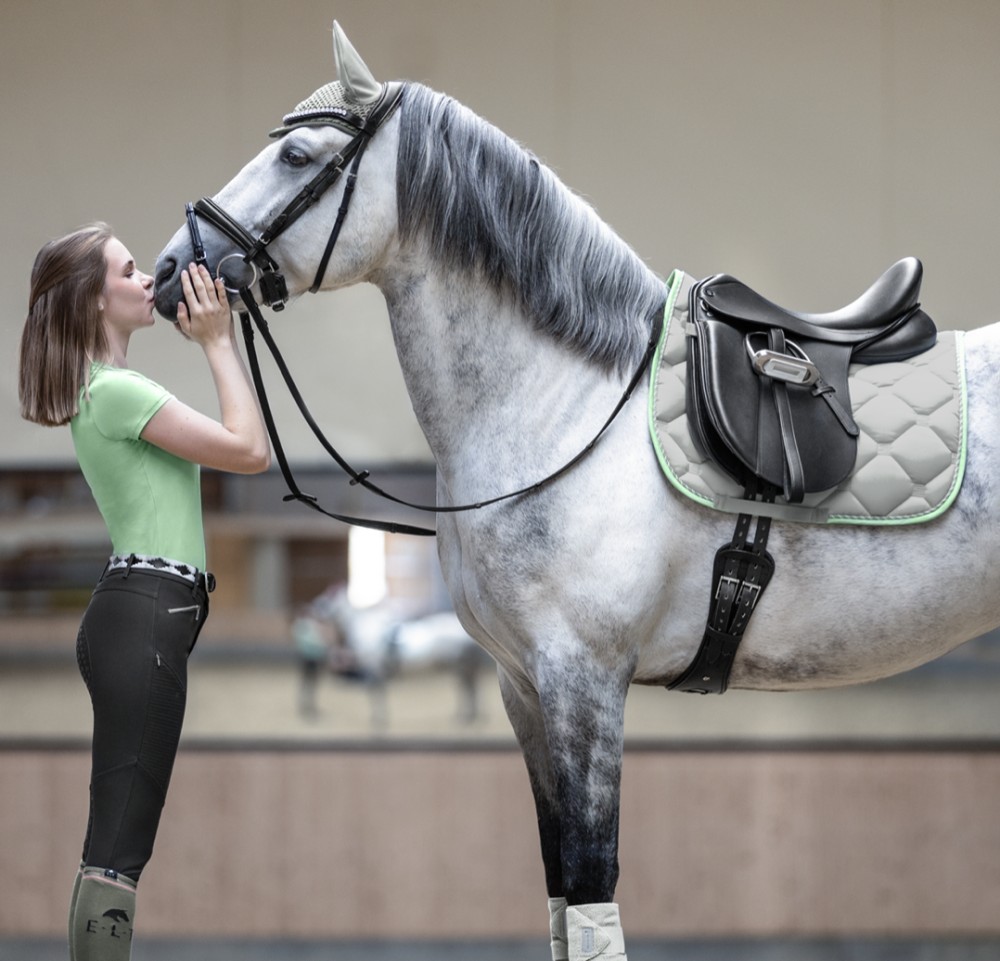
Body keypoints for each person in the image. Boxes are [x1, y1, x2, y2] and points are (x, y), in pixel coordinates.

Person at [18, 222, 271, 960]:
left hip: (141, 615)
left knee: (118, 842)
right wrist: (219, 342)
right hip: (146, 613)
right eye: (129, 271)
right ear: (95, 300)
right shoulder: (119, 391)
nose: (146, 280)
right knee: (119, 849)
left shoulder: (102, 390)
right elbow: (250, 450)